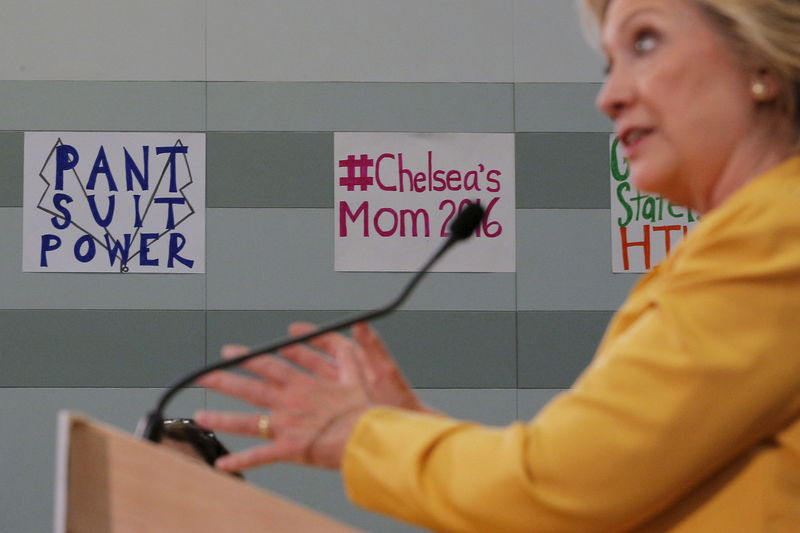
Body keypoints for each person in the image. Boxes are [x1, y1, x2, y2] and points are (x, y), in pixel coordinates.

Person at [193, 0, 800, 530]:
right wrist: (410, 428)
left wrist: (362, 435)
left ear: (761, 62)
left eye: (645, 42)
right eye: (609, 64)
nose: (609, 96)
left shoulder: (774, 234)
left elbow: (561, 486)